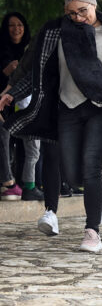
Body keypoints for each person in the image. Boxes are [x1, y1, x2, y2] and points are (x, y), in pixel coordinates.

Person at [0, 0, 102, 252]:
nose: (77, 17)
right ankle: (101, 180)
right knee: (73, 175)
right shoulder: (56, 33)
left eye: (83, 12)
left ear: (94, 6)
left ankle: (92, 232)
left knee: (89, 166)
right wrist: (12, 93)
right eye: (71, 13)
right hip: (68, 109)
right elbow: (38, 73)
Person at [0, 12, 32, 200]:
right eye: (12, 25)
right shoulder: (2, 49)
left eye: (20, 24)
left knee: (27, 143)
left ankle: (25, 183)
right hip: (4, 100)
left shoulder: (30, 51)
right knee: (4, 133)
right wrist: (7, 71)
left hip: (23, 103)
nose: (16, 29)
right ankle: (8, 183)